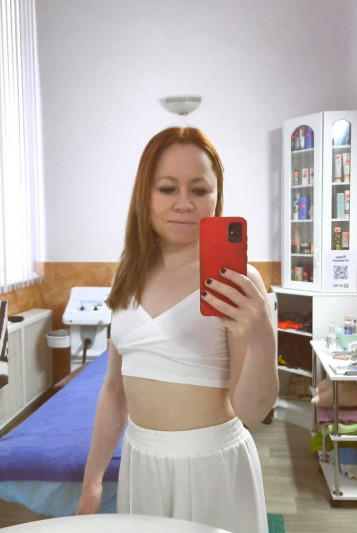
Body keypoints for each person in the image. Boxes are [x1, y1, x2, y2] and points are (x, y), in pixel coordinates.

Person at [76, 127, 278, 533]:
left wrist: (262, 339)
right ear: (145, 195)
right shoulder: (128, 275)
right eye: (167, 188)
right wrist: (92, 482)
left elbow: (253, 412)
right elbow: (114, 390)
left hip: (212, 468)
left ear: (217, 196)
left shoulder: (236, 281)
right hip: (140, 463)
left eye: (199, 190)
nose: (183, 203)